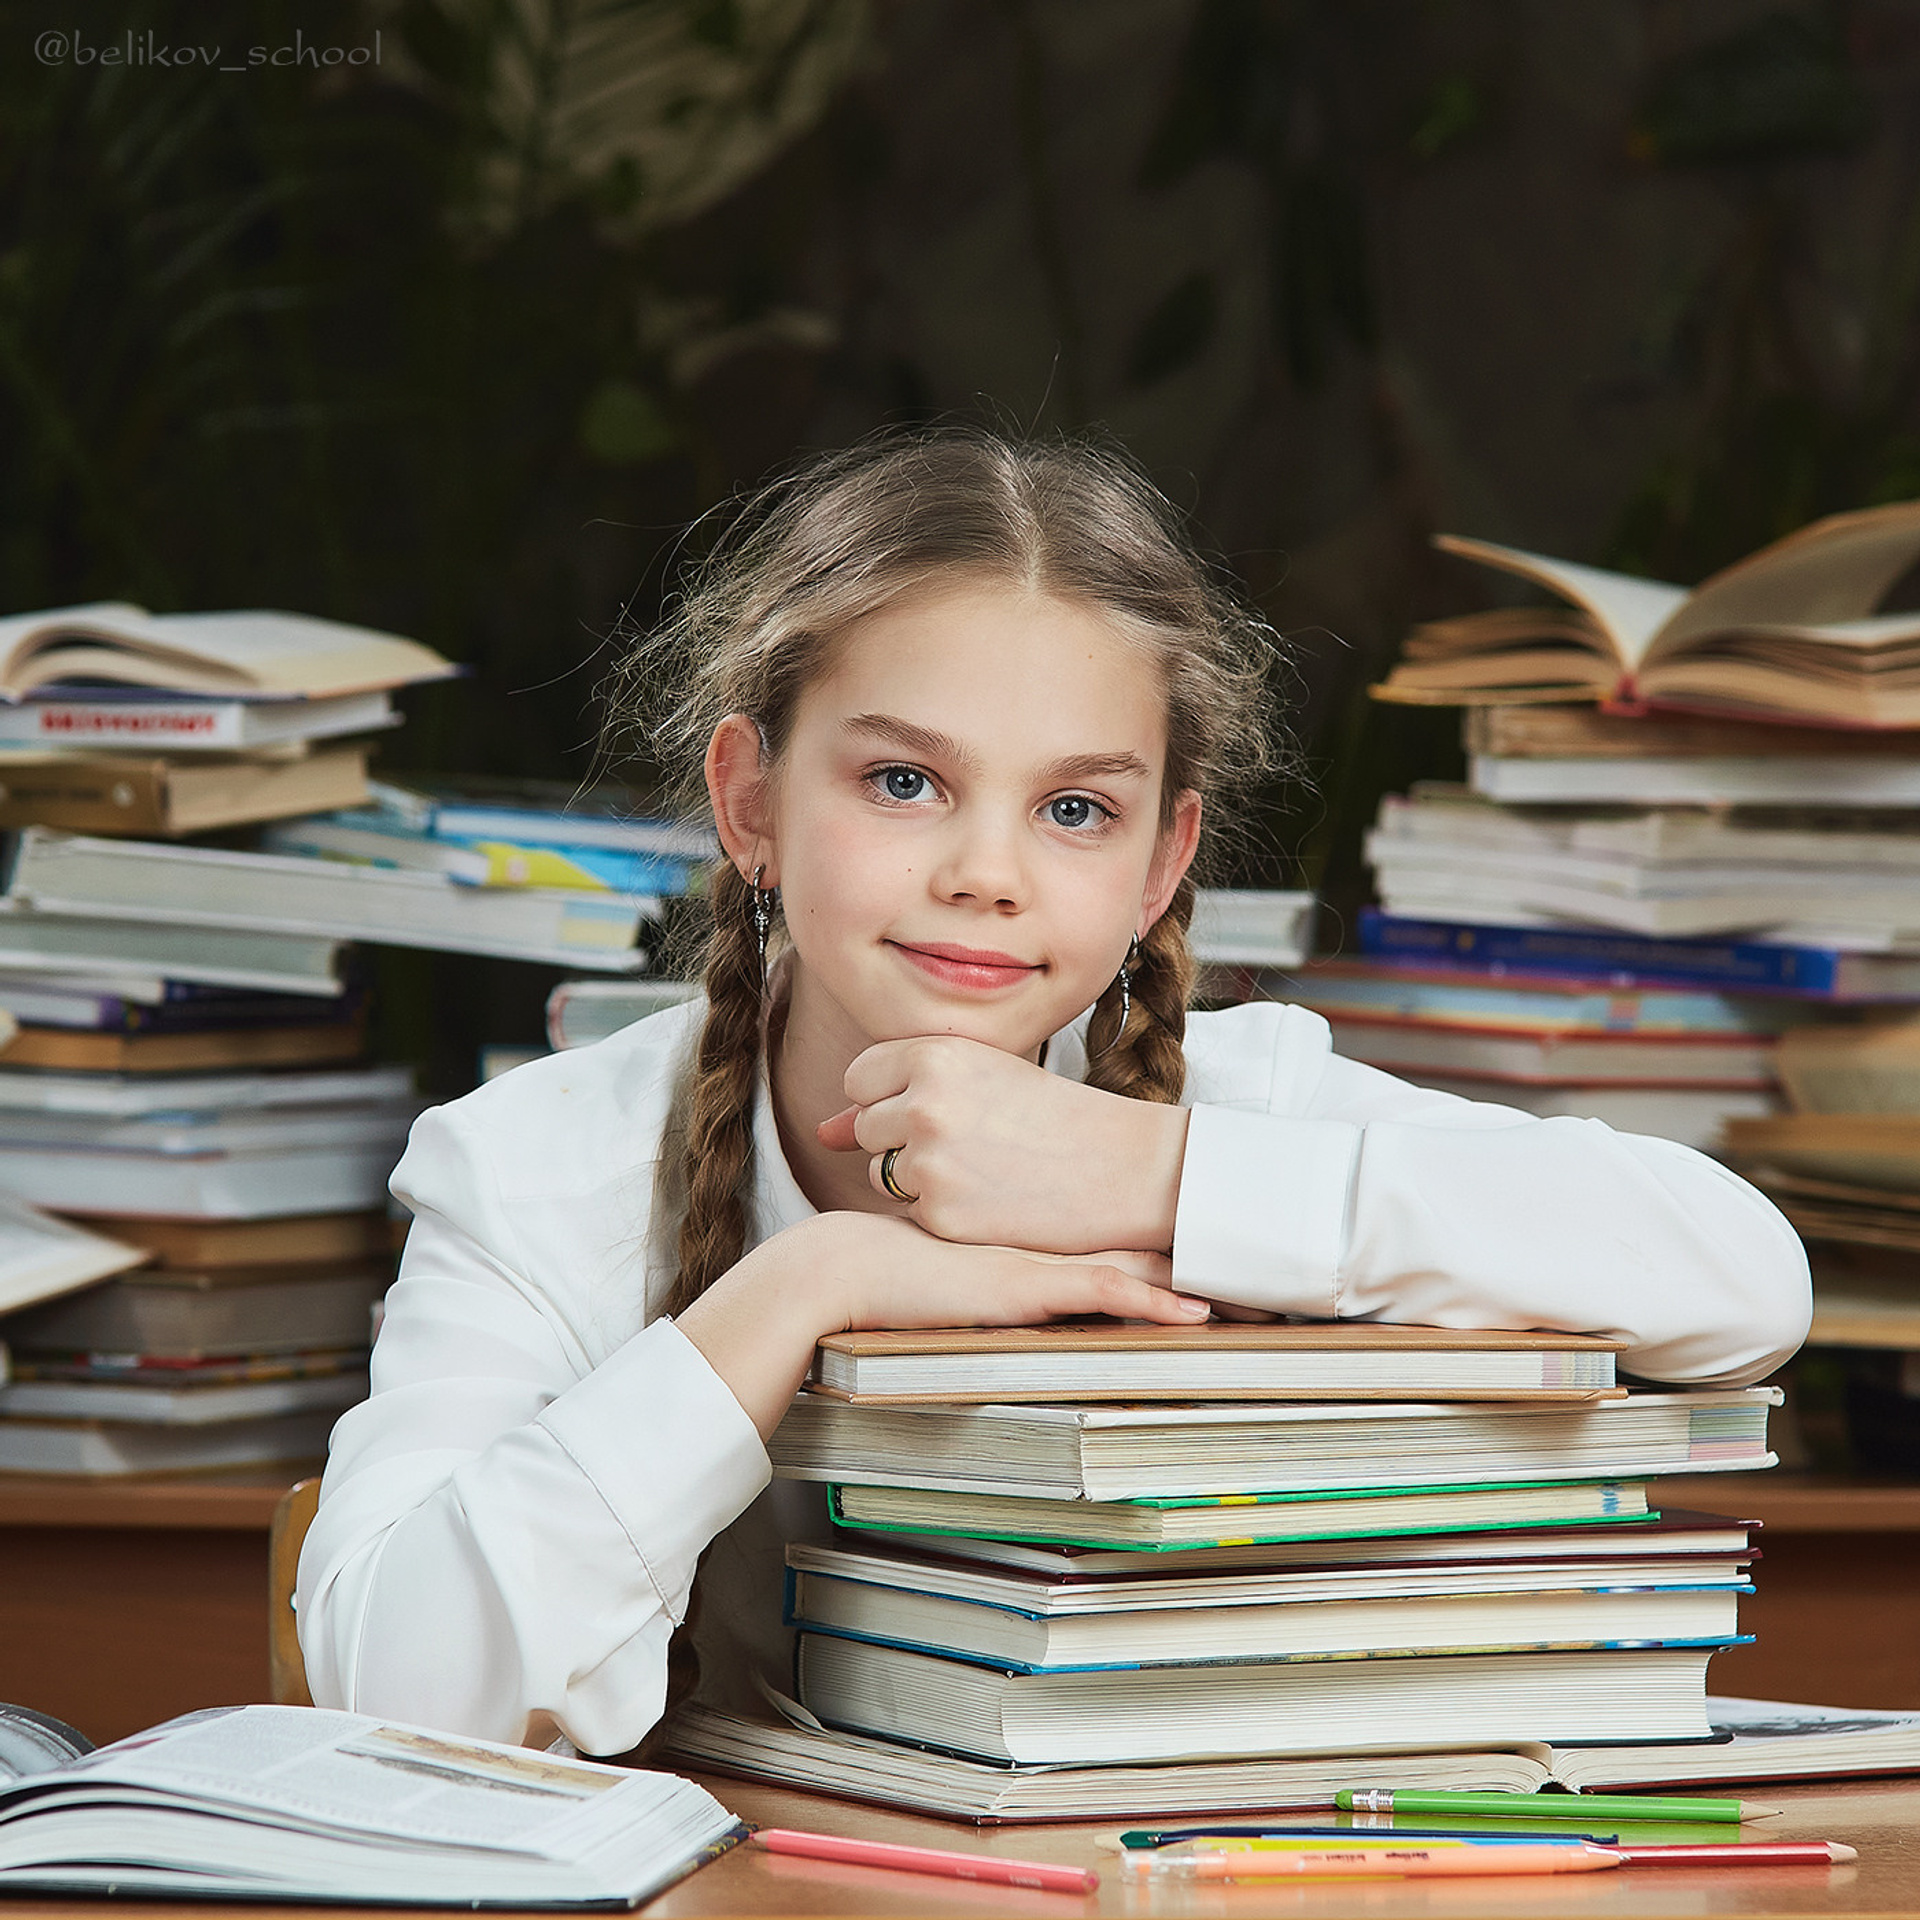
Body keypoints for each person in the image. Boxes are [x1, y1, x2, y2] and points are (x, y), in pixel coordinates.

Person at [296, 427, 1811, 1757]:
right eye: (903, 782)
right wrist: (798, 1288)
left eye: (1075, 809)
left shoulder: (1230, 1102)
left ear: (1162, 865)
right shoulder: (538, 1168)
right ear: (750, 801)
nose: (986, 875)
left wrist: (1152, 1180)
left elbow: (1744, 1279)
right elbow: (393, 1696)